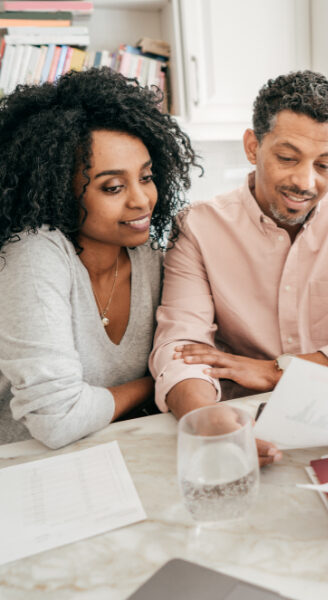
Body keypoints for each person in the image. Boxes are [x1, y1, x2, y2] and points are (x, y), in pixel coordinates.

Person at [148, 71, 328, 454]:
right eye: (287, 158)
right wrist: (210, 424)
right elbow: (181, 349)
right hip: (239, 417)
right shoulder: (198, 228)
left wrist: (281, 369)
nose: (305, 182)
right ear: (252, 146)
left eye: (324, 165)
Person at [0, 68, 198, 449]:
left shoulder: (151, 258)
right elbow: (57, 420)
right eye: (113, 187)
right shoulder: (33, 255)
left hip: (119, 449)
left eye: (146, 177)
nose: (141, 200)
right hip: (25, 468)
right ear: (59, 190)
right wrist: (157, 382)